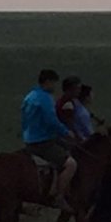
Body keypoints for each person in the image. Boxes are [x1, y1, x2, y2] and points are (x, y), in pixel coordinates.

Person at [21, 69, 76, 213]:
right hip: (42, 141)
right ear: (48, 82)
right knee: (71, 164)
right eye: (54, 83)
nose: (55, 87)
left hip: (28, 139)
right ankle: (59, 196)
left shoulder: (30, 96)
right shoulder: (45, 98)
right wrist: (66, 132)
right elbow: (51, 121)